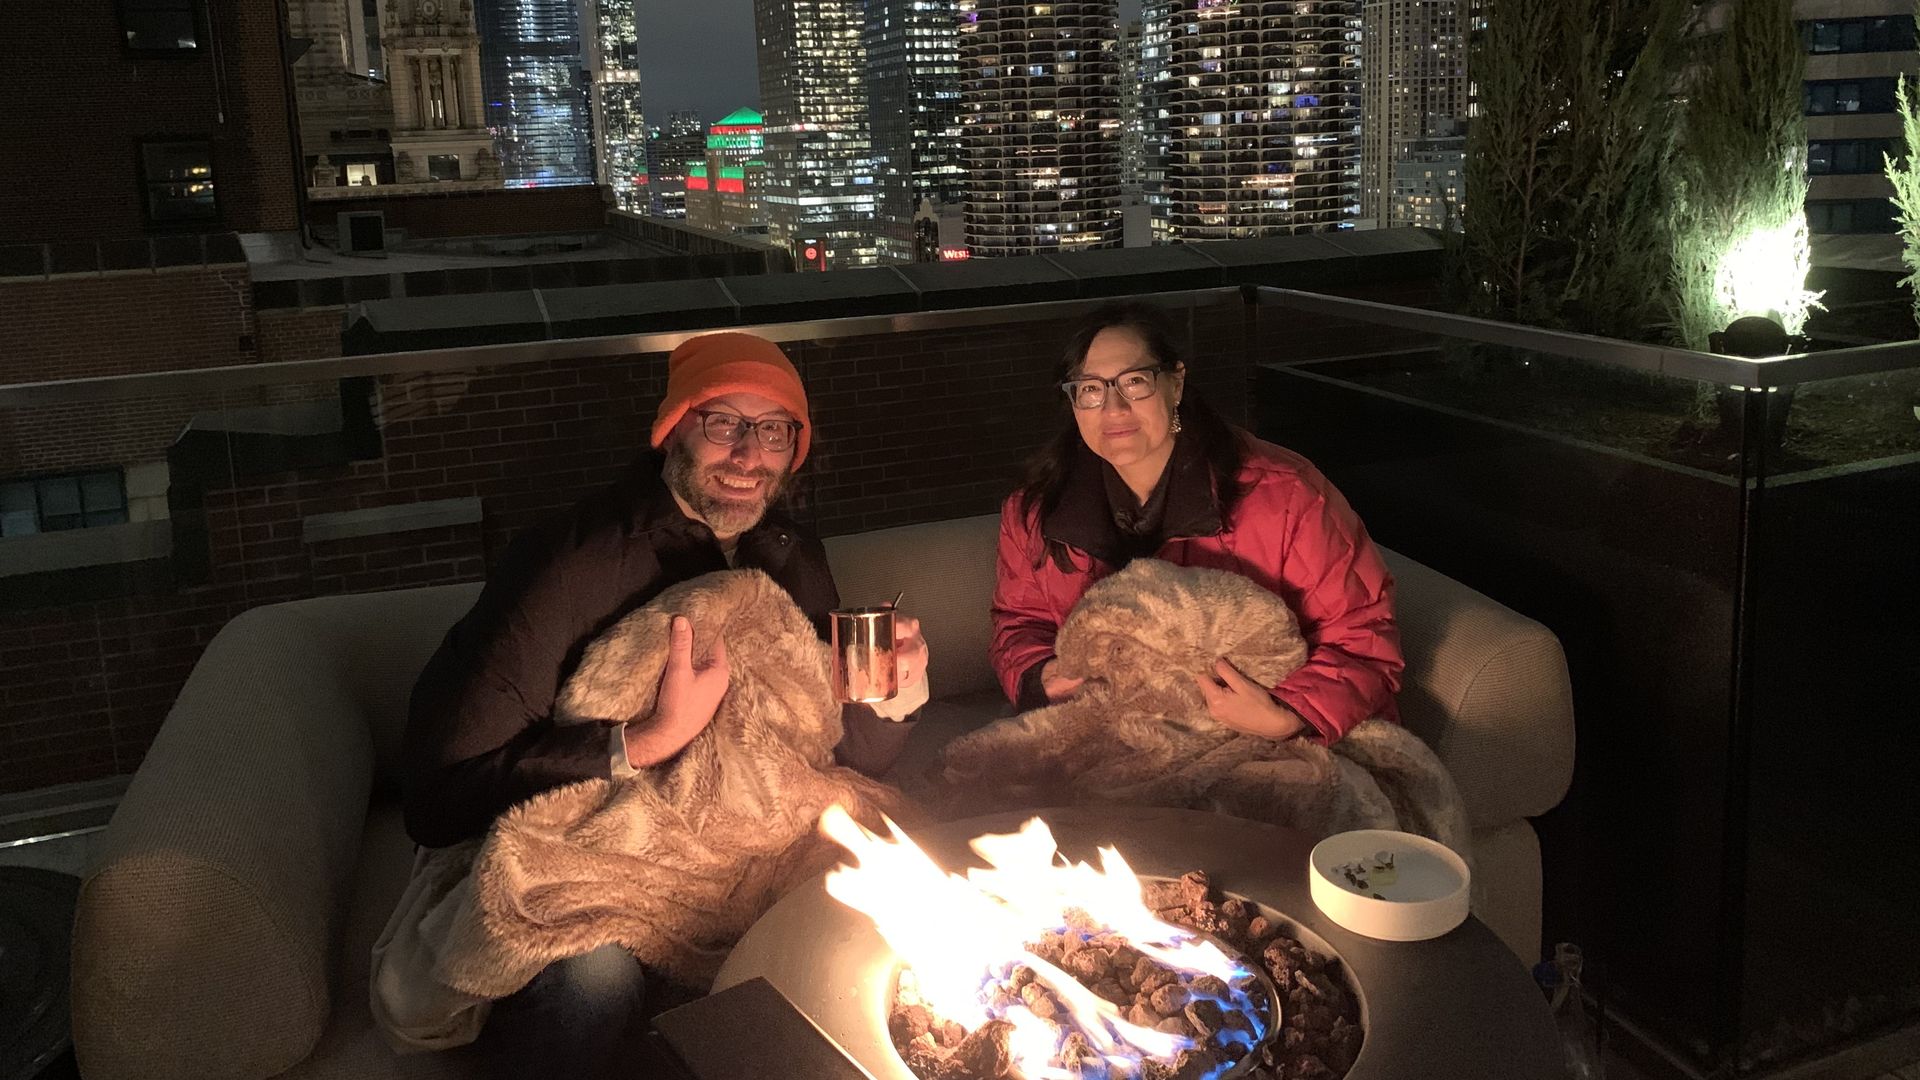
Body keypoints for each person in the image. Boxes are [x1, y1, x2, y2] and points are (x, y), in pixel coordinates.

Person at [399, 331, 930, 1078]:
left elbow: (832, 755)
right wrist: (643, 740)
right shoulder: (571, 563)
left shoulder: (788, 551)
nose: (748, 455)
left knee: (876, 911)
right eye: (723, 423)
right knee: (596, 984)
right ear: (673, 428)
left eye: (774, 430)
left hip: (740, 844)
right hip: (594, 844)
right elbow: (435, 797)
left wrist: (897, 695)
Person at [989, 302, 1401, 744]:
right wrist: (1040, 675)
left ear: (1176, 382)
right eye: (1089, 389)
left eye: (1134, 382)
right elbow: (1018, 620)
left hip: (1262, 740)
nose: (1113, 407)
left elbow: (1363, 638)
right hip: (1116, 739)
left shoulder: (1285, 496)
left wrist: (1287, 715)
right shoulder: (1036, 510)